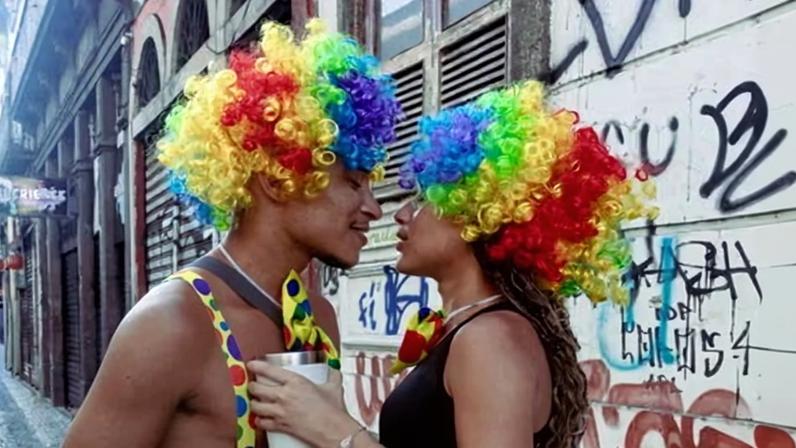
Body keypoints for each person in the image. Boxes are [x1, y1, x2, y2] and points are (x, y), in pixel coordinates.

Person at [246, 80, 658, 447]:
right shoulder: (472, 328)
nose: (402, 214)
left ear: (480, 215)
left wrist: (336, 431)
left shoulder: (491, 338)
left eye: (426, 198)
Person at [63, 19, 401, 448]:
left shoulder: (318, 317)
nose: (374, 208)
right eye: (353, 182)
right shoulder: (172, 324)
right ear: (277, 179)